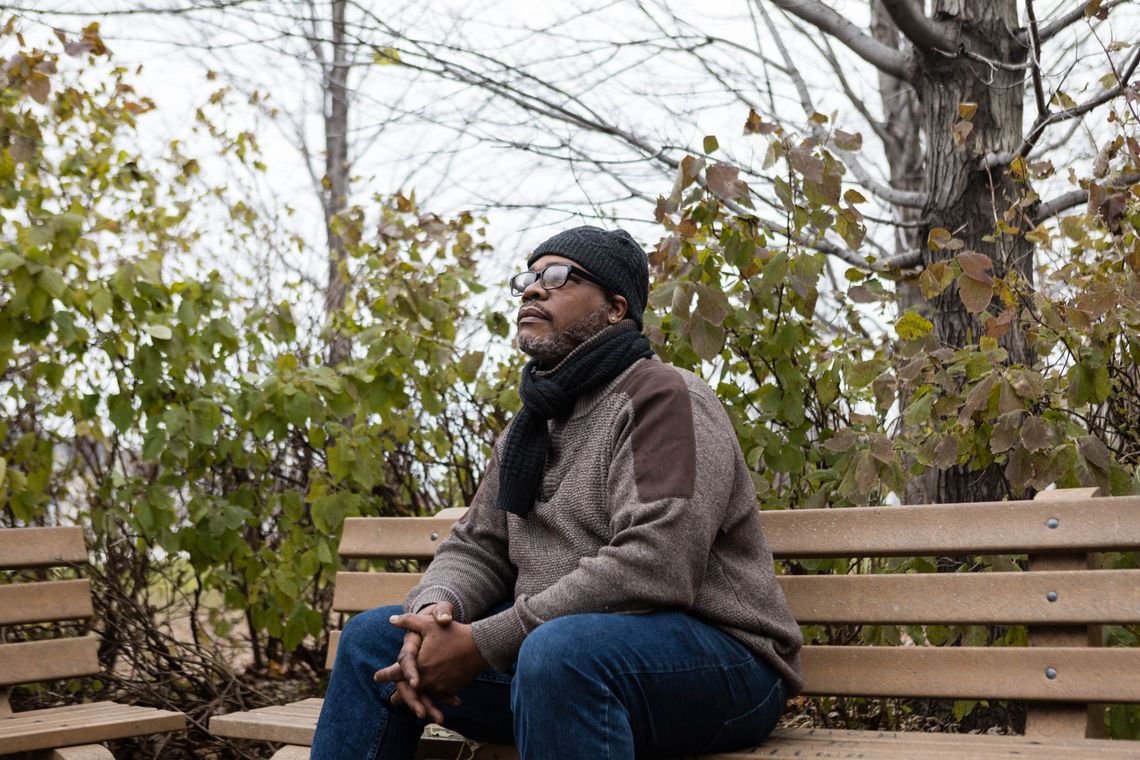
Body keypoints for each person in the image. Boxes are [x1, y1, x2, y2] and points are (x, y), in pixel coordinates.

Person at [310, 226, 803, 760]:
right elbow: (479, 546)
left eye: (558, 277)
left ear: (616, 308)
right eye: (529, 277)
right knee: (370, 644)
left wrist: (483, 642)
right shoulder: (532, 424)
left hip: (718, 662)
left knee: (559, 653)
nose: (533, 289)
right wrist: (435, 616)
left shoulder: (662, 397)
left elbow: (656, 564)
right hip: (559, 659)